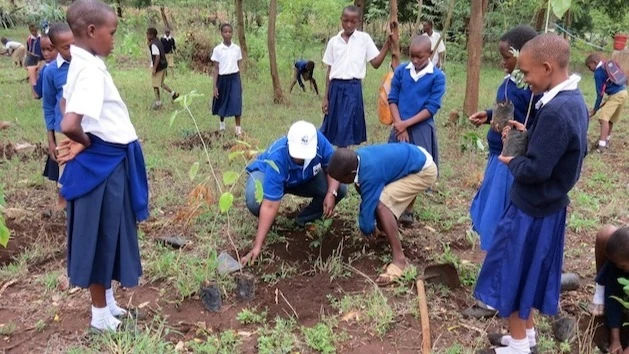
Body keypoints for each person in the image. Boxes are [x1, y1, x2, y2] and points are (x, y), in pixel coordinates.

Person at [474, 34, 588, 354]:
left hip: (530, 208)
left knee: (512, 270)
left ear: (547, 68)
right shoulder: (573, 102)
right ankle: (526, 335)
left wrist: (514, 162)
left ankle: (519, 347)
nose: (524, 79)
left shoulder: (555, 111)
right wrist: (530, 136)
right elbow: (572, 151)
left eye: (526, 73)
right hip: (548, 207)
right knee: (527, 272)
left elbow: (536, 170)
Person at [59, 0, 149, 332]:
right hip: (101, 165)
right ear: (92, 31)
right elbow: (69, 121)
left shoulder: (83, 63)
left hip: (111, 161)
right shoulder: (91, 70)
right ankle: (99, 317)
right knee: (99, 236)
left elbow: (66, 102)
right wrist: (82, 140)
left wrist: (84, 137)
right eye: (112, 33)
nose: (114, 39)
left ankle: (108, 305)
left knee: (110, 233)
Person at [469, 25, 539, 252]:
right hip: (496, 153)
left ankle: (497, 249)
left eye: (506, 57)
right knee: (489, 200)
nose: (503, 62)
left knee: (498, 207)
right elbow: (508, 110)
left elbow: (527, 119)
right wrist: (489, 116)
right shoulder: (510, 81)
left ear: (523, 57)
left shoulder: (531, 89)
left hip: (510, 157)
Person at [327, 144, 437, 285]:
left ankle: (400, 261)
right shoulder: (359, 159)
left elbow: (366, 220)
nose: (341, 183)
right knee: (371, 194)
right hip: (414, 155)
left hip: (423, 170)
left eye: (342, 180)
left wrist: (369, 229)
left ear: (351, 173)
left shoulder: (370, 174)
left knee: (382, 204)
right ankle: (386, 228)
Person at [240, 121, 347, 265]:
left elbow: (333, 168)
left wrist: (331, 192)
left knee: (339, 188)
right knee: (254, 199)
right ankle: (267, 223)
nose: (301, 158)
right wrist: (257, 246)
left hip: (303, 179)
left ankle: (302, 219)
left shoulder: (319, 141)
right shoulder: (277, 157)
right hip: (267, 175)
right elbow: (270, 205)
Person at [387, 35, 445, 224]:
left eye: (419, 57)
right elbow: (392, 99)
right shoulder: (402, 71)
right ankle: (391, 205)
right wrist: (399, 125)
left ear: (430, 54)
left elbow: (431, 107)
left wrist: (406, 124)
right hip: (399, 125)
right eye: (412, 56)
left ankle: (408, 209)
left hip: (421, 129)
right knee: (395, 165)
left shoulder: (437, 77)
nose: (415, 60)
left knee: (417, 169)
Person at [321, 5, 391, 147]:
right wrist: (325, 97)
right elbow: (329, 71)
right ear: (341, 20)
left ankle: (344, 161)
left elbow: (376, 63)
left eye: (353, 22)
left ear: (359, 22)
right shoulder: (334, 42)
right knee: (332, 128)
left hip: (352, 88)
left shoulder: (363, 39)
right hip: (335, 88)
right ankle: (335, 160)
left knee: (346, 130)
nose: (349, 24)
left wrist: (387, 44)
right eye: (346, 20)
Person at [42, 23, 74, 210]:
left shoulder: (88, 65)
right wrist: (51, 141)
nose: (72, 50)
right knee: (64, 173)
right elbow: (48, 106)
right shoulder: (51, 71)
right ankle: (62, 207)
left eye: (74, 44)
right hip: (63, 128)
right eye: (66, 47)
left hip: (86, 128)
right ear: (55, 48)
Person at [589, 225, 629, 354]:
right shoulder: (617, 266)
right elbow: (612, 299)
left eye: (622, 265)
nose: (618, 266)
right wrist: (615, 339)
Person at [585, 53, 628, 153]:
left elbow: (600, 94)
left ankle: (602, 146)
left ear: (594, 63)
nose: (589, 69)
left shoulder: (598, 73)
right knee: (610, 119)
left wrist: (595, 110)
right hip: (624, 92)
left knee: (603, 118)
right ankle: (606, 139)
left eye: (589, 66)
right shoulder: (606, 65)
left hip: (616, 95)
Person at [211, 23, 243, 136]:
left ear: (232, 33)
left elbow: (238, 65)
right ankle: (222, 123)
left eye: (230, 32)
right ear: (221, 33)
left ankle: (238, 127)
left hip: (234, 77)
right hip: (222, 78)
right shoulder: (218, 50)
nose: (228, 34)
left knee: (236, 101)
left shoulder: (237, 49)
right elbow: (215, 68)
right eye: (225, 32)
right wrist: (214, 86)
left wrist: (239, 83)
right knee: (222, 101)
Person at [147, 27, 179, 110]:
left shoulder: (154, 44)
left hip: (158, 67)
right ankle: (173, 94)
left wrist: (154, 68)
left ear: (151, 35)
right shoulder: (158, 41)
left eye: (147, 34)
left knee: (155, 85)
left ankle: (158, 103)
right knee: (161, 83)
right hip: (164, 65)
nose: (146, 36)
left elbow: (157, 57)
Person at [32, 35, 57, 99]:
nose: (45, 54)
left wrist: (31, 72)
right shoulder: (45, 68)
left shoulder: (47, 69)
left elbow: (37, 94)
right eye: (43, 50)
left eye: (50, 50)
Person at [25, 24, 44, 88]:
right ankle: (34, 83)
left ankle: (40, 83)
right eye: (32, 31)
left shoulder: (41, 38)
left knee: (40, 71)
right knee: (33, 71)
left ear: (37, 30)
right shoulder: (29, 39)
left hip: (41, 58)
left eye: (35, 31)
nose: (33, 32)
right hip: (33, 58)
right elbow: (28, 49)